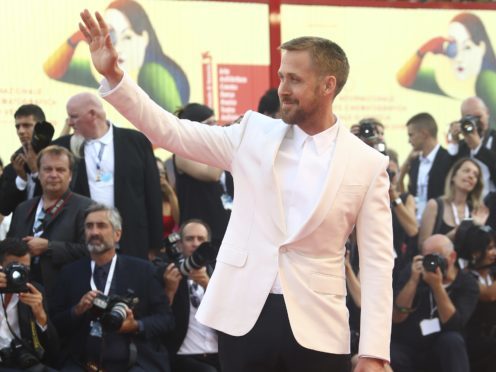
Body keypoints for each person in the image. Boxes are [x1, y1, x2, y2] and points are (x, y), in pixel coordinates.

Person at [80, 12, 395, 372]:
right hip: (244, 315)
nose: (282, 89)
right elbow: (172, 132)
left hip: (320, 325)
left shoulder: (367, 164)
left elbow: (377, 264)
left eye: (295, 79)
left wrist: (374, 350)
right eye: (281, 77)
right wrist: (115, 77)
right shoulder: (252, 133)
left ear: (328, 86)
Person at [51, 204, 174, 371]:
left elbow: (166, 320)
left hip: (135, 360)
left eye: (101, 226)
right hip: (81, 361)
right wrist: (77, 311)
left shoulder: (143, 270)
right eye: (89, 226)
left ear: (117, 234)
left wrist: (135, 325)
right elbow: (55, 324)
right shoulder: (69, 273)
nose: (94, 232)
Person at [61, 92, 163, 258]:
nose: (70, 122)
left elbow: (152, 192)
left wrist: (155, 245)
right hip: (82, 245)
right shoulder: (64, 146)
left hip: (131, 241)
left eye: (73, 117)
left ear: (92, 114)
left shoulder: (136, 141)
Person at [44, 0, 189, 113]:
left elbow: (171, 128)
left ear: (144, 38)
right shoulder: (107, 65)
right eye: (111, 36)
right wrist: (75, 38)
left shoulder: (153, 72)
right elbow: (52, 71)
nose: (118, 47)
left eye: (127, 38)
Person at [7, 146, 94, 301]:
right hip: (22, 291)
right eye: (47, 169)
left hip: (66, 293)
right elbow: (8, 247)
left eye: (60, 170)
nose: (54, 175)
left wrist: (49, 247)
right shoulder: (22, 208)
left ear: (70, 175)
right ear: (39, 173)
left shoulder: (86, 207)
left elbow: (91, 251)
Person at [390, 234, 479, 372]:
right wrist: (413, 281)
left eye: (437, 256)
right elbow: (397, 316)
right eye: (427, 257)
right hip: (410, 347)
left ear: (452, 257)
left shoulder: (466, 283)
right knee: (392, 353)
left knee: (453, 341)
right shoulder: (412, 272)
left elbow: (454, 325)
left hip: (441, 349)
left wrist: (437, 286)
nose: (432, 262)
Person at [397, 12, 496, 121]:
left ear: (481, 47)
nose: (459, 58)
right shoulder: (446, 76)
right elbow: (404, 80)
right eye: (453, 48)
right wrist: (423, 50)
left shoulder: (488, 79)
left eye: (467, 47)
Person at [162, 219, 220, 372]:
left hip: (218, 353)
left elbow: (231, 315)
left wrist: (208, 285)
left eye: (201, 239)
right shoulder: (167, 272)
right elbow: (160, 318)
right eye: (189, 239)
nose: (195, 243)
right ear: (180, 244)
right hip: (183, 355)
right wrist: (170, 289)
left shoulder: (219, 274)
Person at [172, 103, 230, 244]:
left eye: (216, 122)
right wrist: (226, 140)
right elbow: (212, 174)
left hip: (224, 230)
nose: (216, 127)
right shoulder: (182, 152)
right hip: (198, 235)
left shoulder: (214, 151)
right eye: (210, 123)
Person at [0, 238, 59, 370]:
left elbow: (53, 350)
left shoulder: (35, 291)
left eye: (25, 269)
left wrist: (40, 315)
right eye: (13, 268)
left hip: (20, 362)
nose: (18, 274)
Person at [418, 157, 488, 247]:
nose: (471, 176)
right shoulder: (435, 205)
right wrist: (461, 229)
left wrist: (480, 229)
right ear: (454, 176)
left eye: (475, 175)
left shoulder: (475, 211)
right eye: (466, 171)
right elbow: (423, 246)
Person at [455, 222, 496, 372]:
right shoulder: (466, 276)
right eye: (490, 248)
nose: (494, 252)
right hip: (474, 340)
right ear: (475, 253)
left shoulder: (492, 273)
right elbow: (489, 295)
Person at [400, 113, 453, 222]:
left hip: (439, 225)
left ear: (424, 134)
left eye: (411, 135)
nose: (409, 141)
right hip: (414, 226)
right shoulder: (414, 162)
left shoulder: (448, 159)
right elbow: (407, 194)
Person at [0, 104, 46, 216]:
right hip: (20, 231)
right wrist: (21, 179)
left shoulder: (57, 158)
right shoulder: (12, 167)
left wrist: (36, 171)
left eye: (26, 125)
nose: (21, 131)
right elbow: (4, 208)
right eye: (18, 126)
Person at [447, 96, 496, 197]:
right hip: (468, 207)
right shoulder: (461, 146)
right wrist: (453, 143)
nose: (475, 123)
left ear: (487, 113)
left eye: (478, 117)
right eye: (469, 119)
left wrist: (478, 147)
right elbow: (448, 175)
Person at [156, 158, 179, 239]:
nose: (160, 176)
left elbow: (179, 221)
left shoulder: (169, 198)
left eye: (163, 172)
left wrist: (170, 193)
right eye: (157, 172)